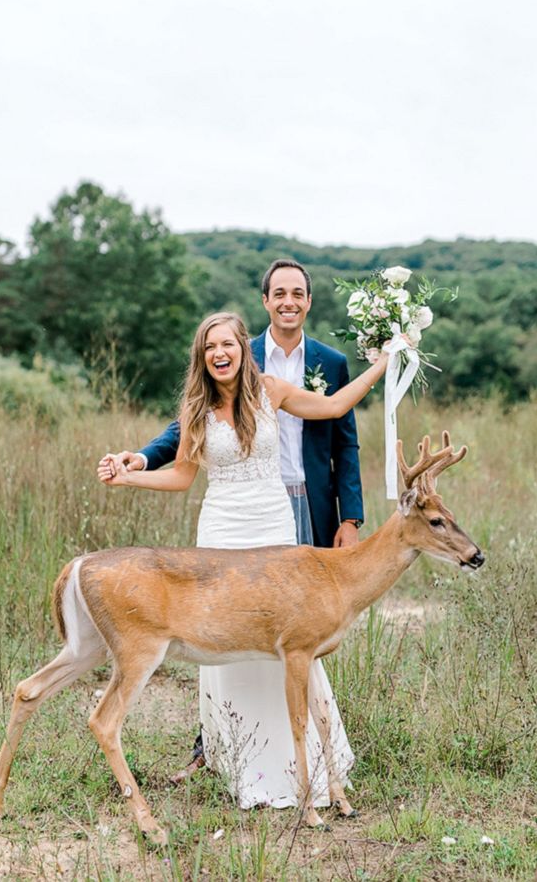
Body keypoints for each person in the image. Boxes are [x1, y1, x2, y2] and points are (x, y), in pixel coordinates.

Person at [96, 309, 396, 811]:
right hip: (221, 533)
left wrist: (385, 362)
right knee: (225, 642)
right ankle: (244, 766)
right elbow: (181, 477)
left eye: (227, 345)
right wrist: (131, 475)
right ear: (202, 356)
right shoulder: (195, 409)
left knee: (291, 641)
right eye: (210, 347)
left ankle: (308, 767)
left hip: (273, 529)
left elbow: (337, 404)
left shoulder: (272, 392)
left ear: (242, 349)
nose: (219, 354)